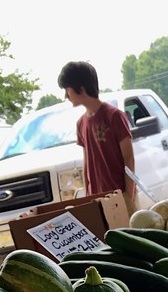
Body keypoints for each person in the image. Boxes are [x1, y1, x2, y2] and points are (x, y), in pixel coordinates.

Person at [57, 60, 137, 213]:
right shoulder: (81, 123)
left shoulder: (115, 116)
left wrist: (128, 196)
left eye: (67, 89)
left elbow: (129, 159)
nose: (66, 96)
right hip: (97, 201)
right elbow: (87, 165)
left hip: (120, 198)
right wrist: (88, 197)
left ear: (81, 88)